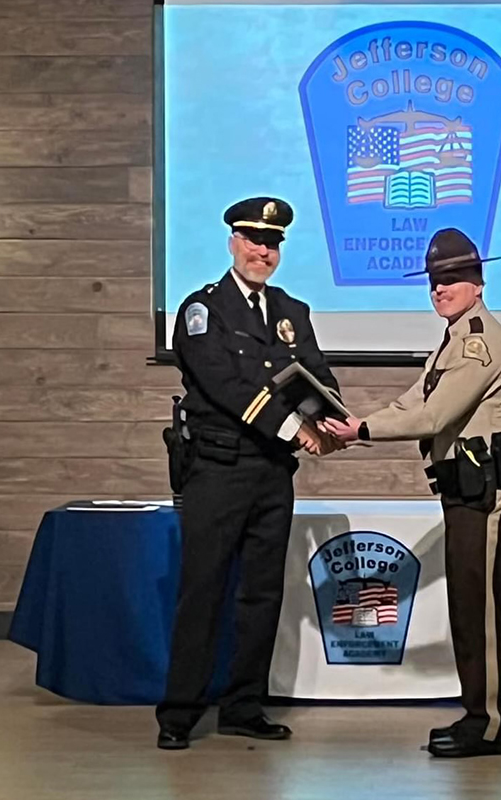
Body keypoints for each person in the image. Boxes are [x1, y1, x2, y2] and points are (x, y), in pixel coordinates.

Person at [324, 228, 501, 759]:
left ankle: (488, 725)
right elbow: (411, 402)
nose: (441, 288)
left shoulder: (480, 342)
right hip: (467, 490)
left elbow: (436, 415)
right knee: (467, 605)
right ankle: (477, 715)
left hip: (486, 493)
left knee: (480, 608)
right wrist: (356, 424)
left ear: (478, 283)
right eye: (435, 280)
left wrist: (362, 433)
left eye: (454, 279)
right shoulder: (455, 339)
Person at [157, 196, 340, 750]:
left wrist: (332, 422)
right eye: (253, 239)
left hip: (270, 474)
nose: (263, 250)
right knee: (204, 591)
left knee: (261, 595)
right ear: (232, 242)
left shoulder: (292, 311)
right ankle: (179, 714)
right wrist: (295, 431)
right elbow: (227, 387)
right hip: (217, 468)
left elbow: (315, 377)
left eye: (273, 242)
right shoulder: (201, 310)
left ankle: (242, 706)